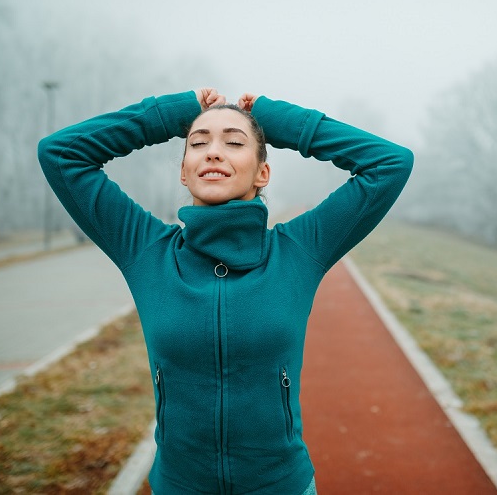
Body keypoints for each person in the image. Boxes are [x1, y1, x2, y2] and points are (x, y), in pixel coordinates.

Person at [38, 87, 413, 494]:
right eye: (198, 143)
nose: (213, 152)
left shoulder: (299, 251)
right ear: (184, 171)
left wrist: (276, 119)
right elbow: (61, 153)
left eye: (234, 143)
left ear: (262, 173)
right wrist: (171, 115)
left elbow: (390, 163)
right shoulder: (146, 250)